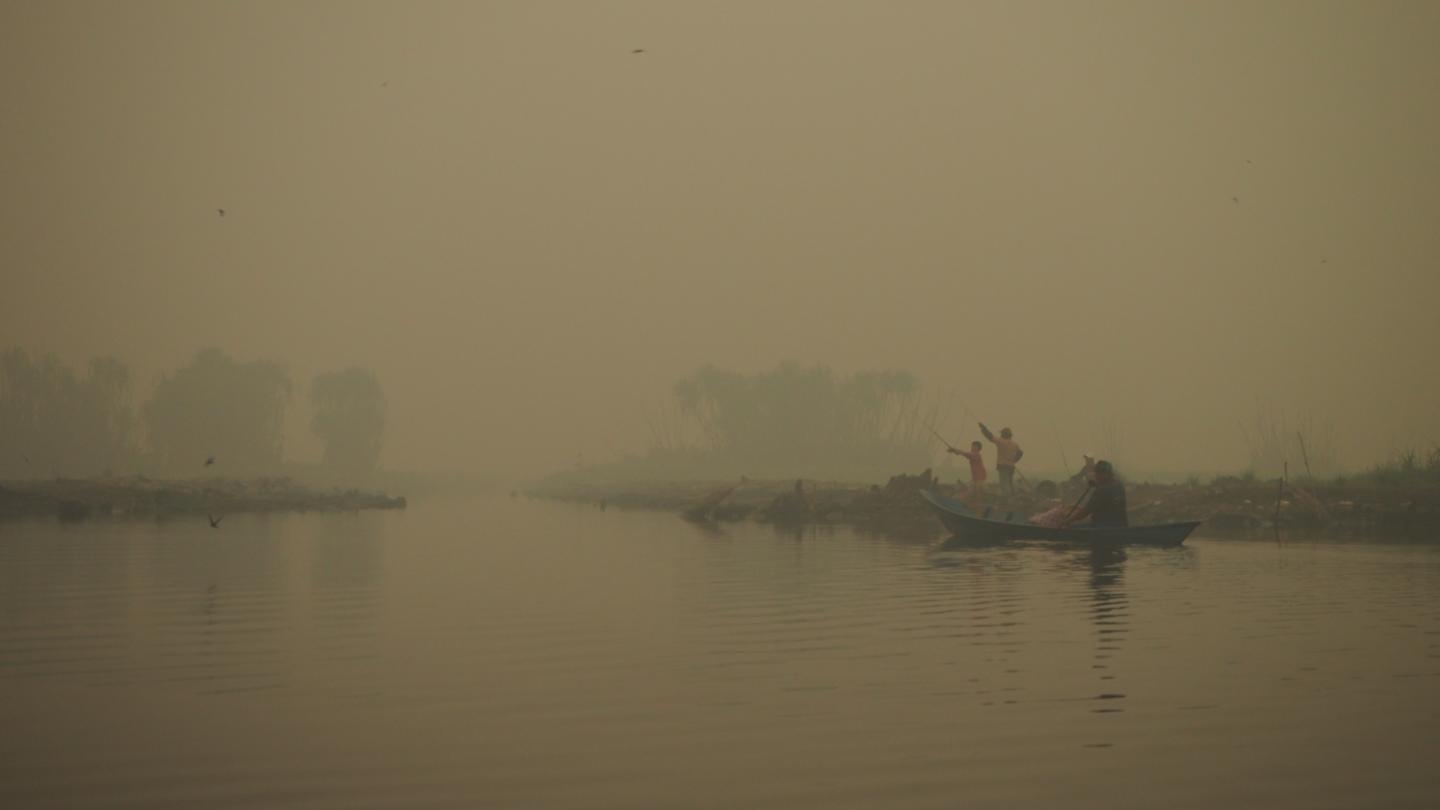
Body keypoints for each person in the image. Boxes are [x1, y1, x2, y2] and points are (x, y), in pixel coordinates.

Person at [1062, 460, 1128, 527]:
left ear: (1103, 474)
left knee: (1072, 528)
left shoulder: (1101, 491)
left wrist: (1068, 520)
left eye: (1097, 473)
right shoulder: (1119, 485)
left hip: (1102, 528)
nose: (1095, 476)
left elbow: (1085, 512)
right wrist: (1098, 485)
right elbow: (1108, 490)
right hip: (1121, 525)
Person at [979, 423, 1023, 497]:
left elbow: (990, 436)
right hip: (1011, 466)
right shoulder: (1015, 444)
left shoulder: (1001, 441)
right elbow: (1020, 452)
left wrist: (983, 428)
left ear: (1003, 434)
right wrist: (1014, 460)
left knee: (1004, 484)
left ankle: (1007, 498)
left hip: (1003, 466)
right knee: (1009, 483)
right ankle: (1012, 497)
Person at [947, 440, 987, 505]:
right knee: (969, 492)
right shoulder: (973, 455)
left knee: (977, 493)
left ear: (978, 448)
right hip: (976, 479)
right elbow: (965, 454)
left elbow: (965, 453)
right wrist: (955, 451)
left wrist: (955, 450)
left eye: (974, 446)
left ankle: (978, 505)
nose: (972, 447)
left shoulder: (977, 455)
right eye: (972, 446)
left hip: (980, 479)